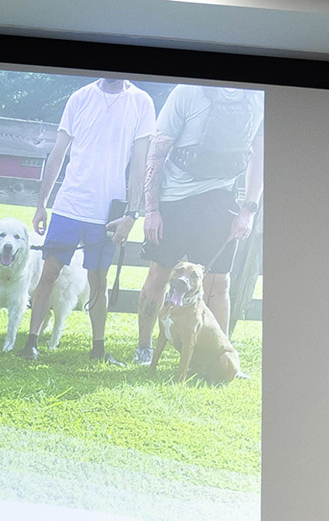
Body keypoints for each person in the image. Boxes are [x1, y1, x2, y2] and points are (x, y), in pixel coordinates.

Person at [24, 76, 156, 363]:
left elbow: (140, 163)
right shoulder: (80, 97)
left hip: (107, 212)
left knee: (99, 280)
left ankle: (98, 348)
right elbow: (58, 152)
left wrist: (131, 214)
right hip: (69, 205)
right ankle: (31, 341)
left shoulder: (141, 102)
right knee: (49, 273)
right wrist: (41, 204)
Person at [135, 83, 262, 364]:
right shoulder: (187, 92)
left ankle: (219, 353)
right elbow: (158, 149)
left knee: (219, 282)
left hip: (221, 197)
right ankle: (144, 348)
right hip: (174, 197)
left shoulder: (259, 97)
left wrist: (249, 209)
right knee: (160, 273)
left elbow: (260, 154)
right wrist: (152, 209)